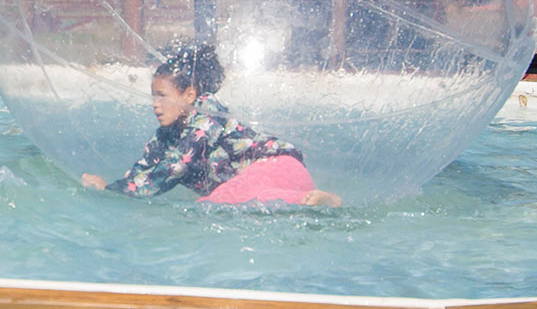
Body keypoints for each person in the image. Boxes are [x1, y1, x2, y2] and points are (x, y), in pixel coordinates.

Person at [80, 43, 341, 206]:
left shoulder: (207, 115)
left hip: (282, 169)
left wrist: (112, 191)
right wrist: (111, 189)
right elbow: (144, 171)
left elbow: (176, 166)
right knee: (220, 203)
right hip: (258, 187)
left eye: (162, 96)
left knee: (213, 203)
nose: (155, 105)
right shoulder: (164, 138)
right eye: (153, 96)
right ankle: (306, 204)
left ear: (190, 95)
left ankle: (327, 201)